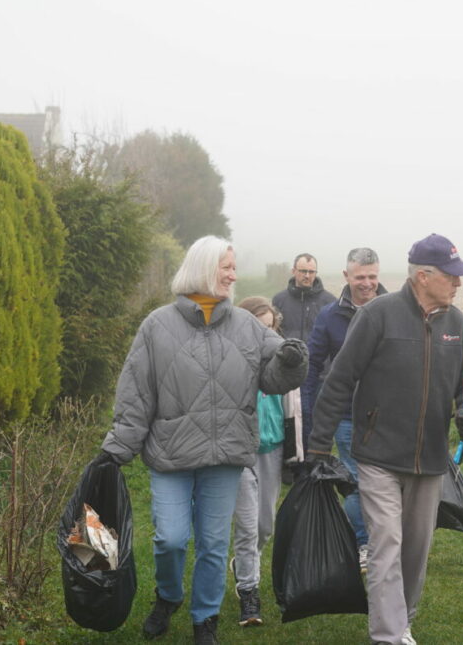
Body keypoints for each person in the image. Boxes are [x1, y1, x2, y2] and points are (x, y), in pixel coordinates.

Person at [93, 236, 309, 645]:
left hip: (225, 457)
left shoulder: (248, 327)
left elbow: (276, 378)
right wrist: (117, 449)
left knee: (212, 543)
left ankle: (205, 617)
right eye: (226, 266)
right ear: (202, 267)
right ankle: (169, 595)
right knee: (170, 538)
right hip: (171, 455)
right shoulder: (157, 326)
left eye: (233, 267)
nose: (233, 274)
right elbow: (137, 393)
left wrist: (292, 360)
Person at [307, 233, 463, 645]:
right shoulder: (377, 315)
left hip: (430, 459)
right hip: (377, 455)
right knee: (386, 543)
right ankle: (387, 635)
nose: (458, 283)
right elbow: (340, 379)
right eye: (451, 275)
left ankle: (403, 619)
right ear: (423, 277)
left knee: (415, 552)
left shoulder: (459, 325)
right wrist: (318, 445)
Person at [301, 247, 387, 572]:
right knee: (355, 481)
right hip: (348, 416)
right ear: (346, 276)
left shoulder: (394, 309)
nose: (367, 283)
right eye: (360, 277)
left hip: (388, 416)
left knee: (383, 482)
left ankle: (382, 538)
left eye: (372, 277)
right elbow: (311, 369)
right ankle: (364, 544)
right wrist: (311, 418)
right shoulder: (329, 316)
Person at [229, 297, 300, 628]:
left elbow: (294, 409)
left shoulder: (283, 359)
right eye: (259, 327)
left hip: (272, 447)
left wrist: (294, 451)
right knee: (248, 524)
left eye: (271, 327)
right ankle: (249, 592)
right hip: (241, 450)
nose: (266, 334)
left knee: (265, 524)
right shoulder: (230, 358)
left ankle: (243, 565)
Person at [272, 252, 336, 341]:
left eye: (311, 272)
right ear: (293, 271)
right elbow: (273, 333)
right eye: (303, 271)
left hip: (317, 354)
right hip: (287, 353)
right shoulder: (279, 300)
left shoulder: (330, 301)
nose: (307, 276)